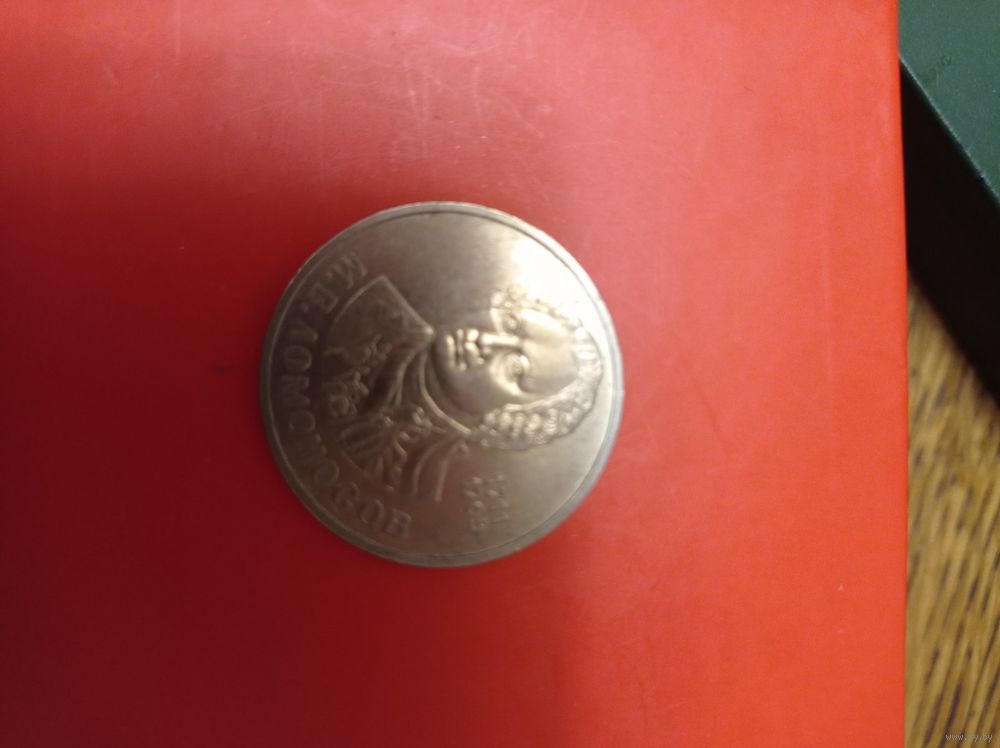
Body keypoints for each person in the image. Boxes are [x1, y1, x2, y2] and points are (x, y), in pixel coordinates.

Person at [320, 276, 602, 502]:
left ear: (514, 417)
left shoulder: (416, 478)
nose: (488, 342)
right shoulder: (372, 307)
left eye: (516, 368)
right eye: (510, 323)